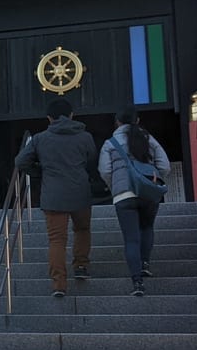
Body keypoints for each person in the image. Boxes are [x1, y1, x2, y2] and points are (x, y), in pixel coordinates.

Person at [15, 98, 98, 297]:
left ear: (49, 118)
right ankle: (80, 266)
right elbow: (92, 160)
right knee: (82, 229)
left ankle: (59, 283)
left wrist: (39, 172)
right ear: (71, 115)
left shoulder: (39, 139)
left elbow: (20, 162)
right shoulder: (85, 137)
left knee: (56, 240)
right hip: (80, 192)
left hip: (53, 195)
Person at [99, 108, 171, 296]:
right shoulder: (148, 139)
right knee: (147, 228)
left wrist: (115, 186)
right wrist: (153, 180)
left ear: (117, 122)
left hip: (123, 195)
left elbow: (105, 170)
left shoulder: (110, 143)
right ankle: (145, 263)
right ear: (137, 120)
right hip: (148, 192)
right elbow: (164, 165)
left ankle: (137, 283)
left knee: (131, 238)